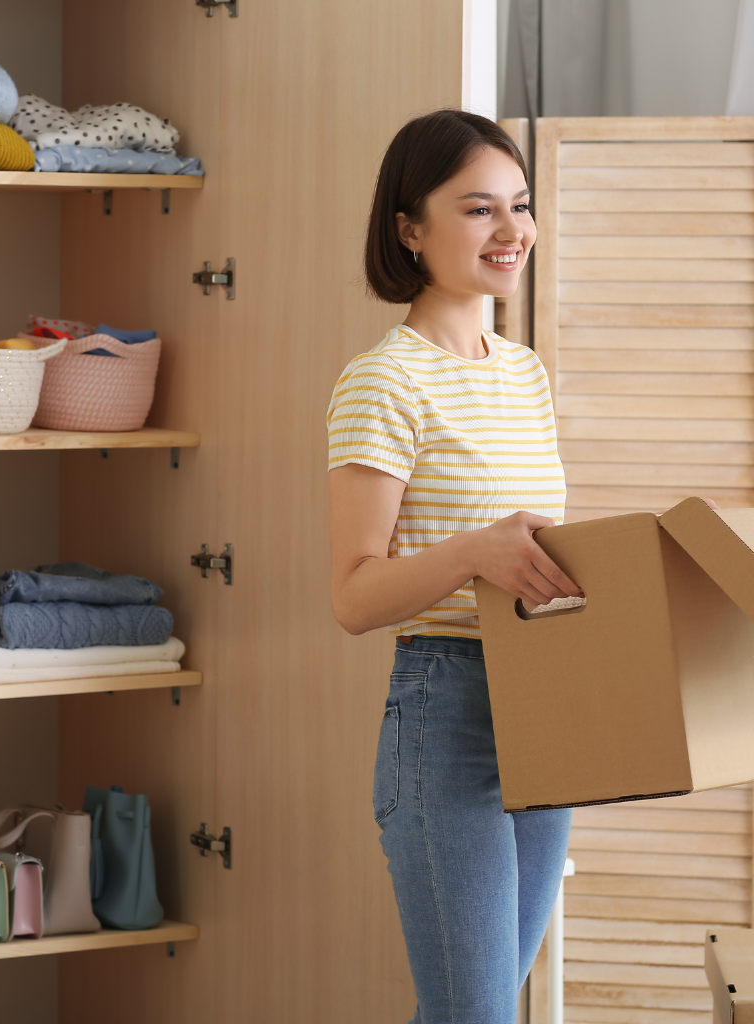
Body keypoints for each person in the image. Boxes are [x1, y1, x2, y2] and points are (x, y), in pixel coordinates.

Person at [326, 109, 584, 1022]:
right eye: (479, 210)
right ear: (410, 228)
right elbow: (354, 595)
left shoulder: (524, 374)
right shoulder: (384, 379)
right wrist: (475, 553)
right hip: (449, 709)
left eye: (519, 206)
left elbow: (538, 556)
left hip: (546, 703)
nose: (512, 231)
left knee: (477, 1013)